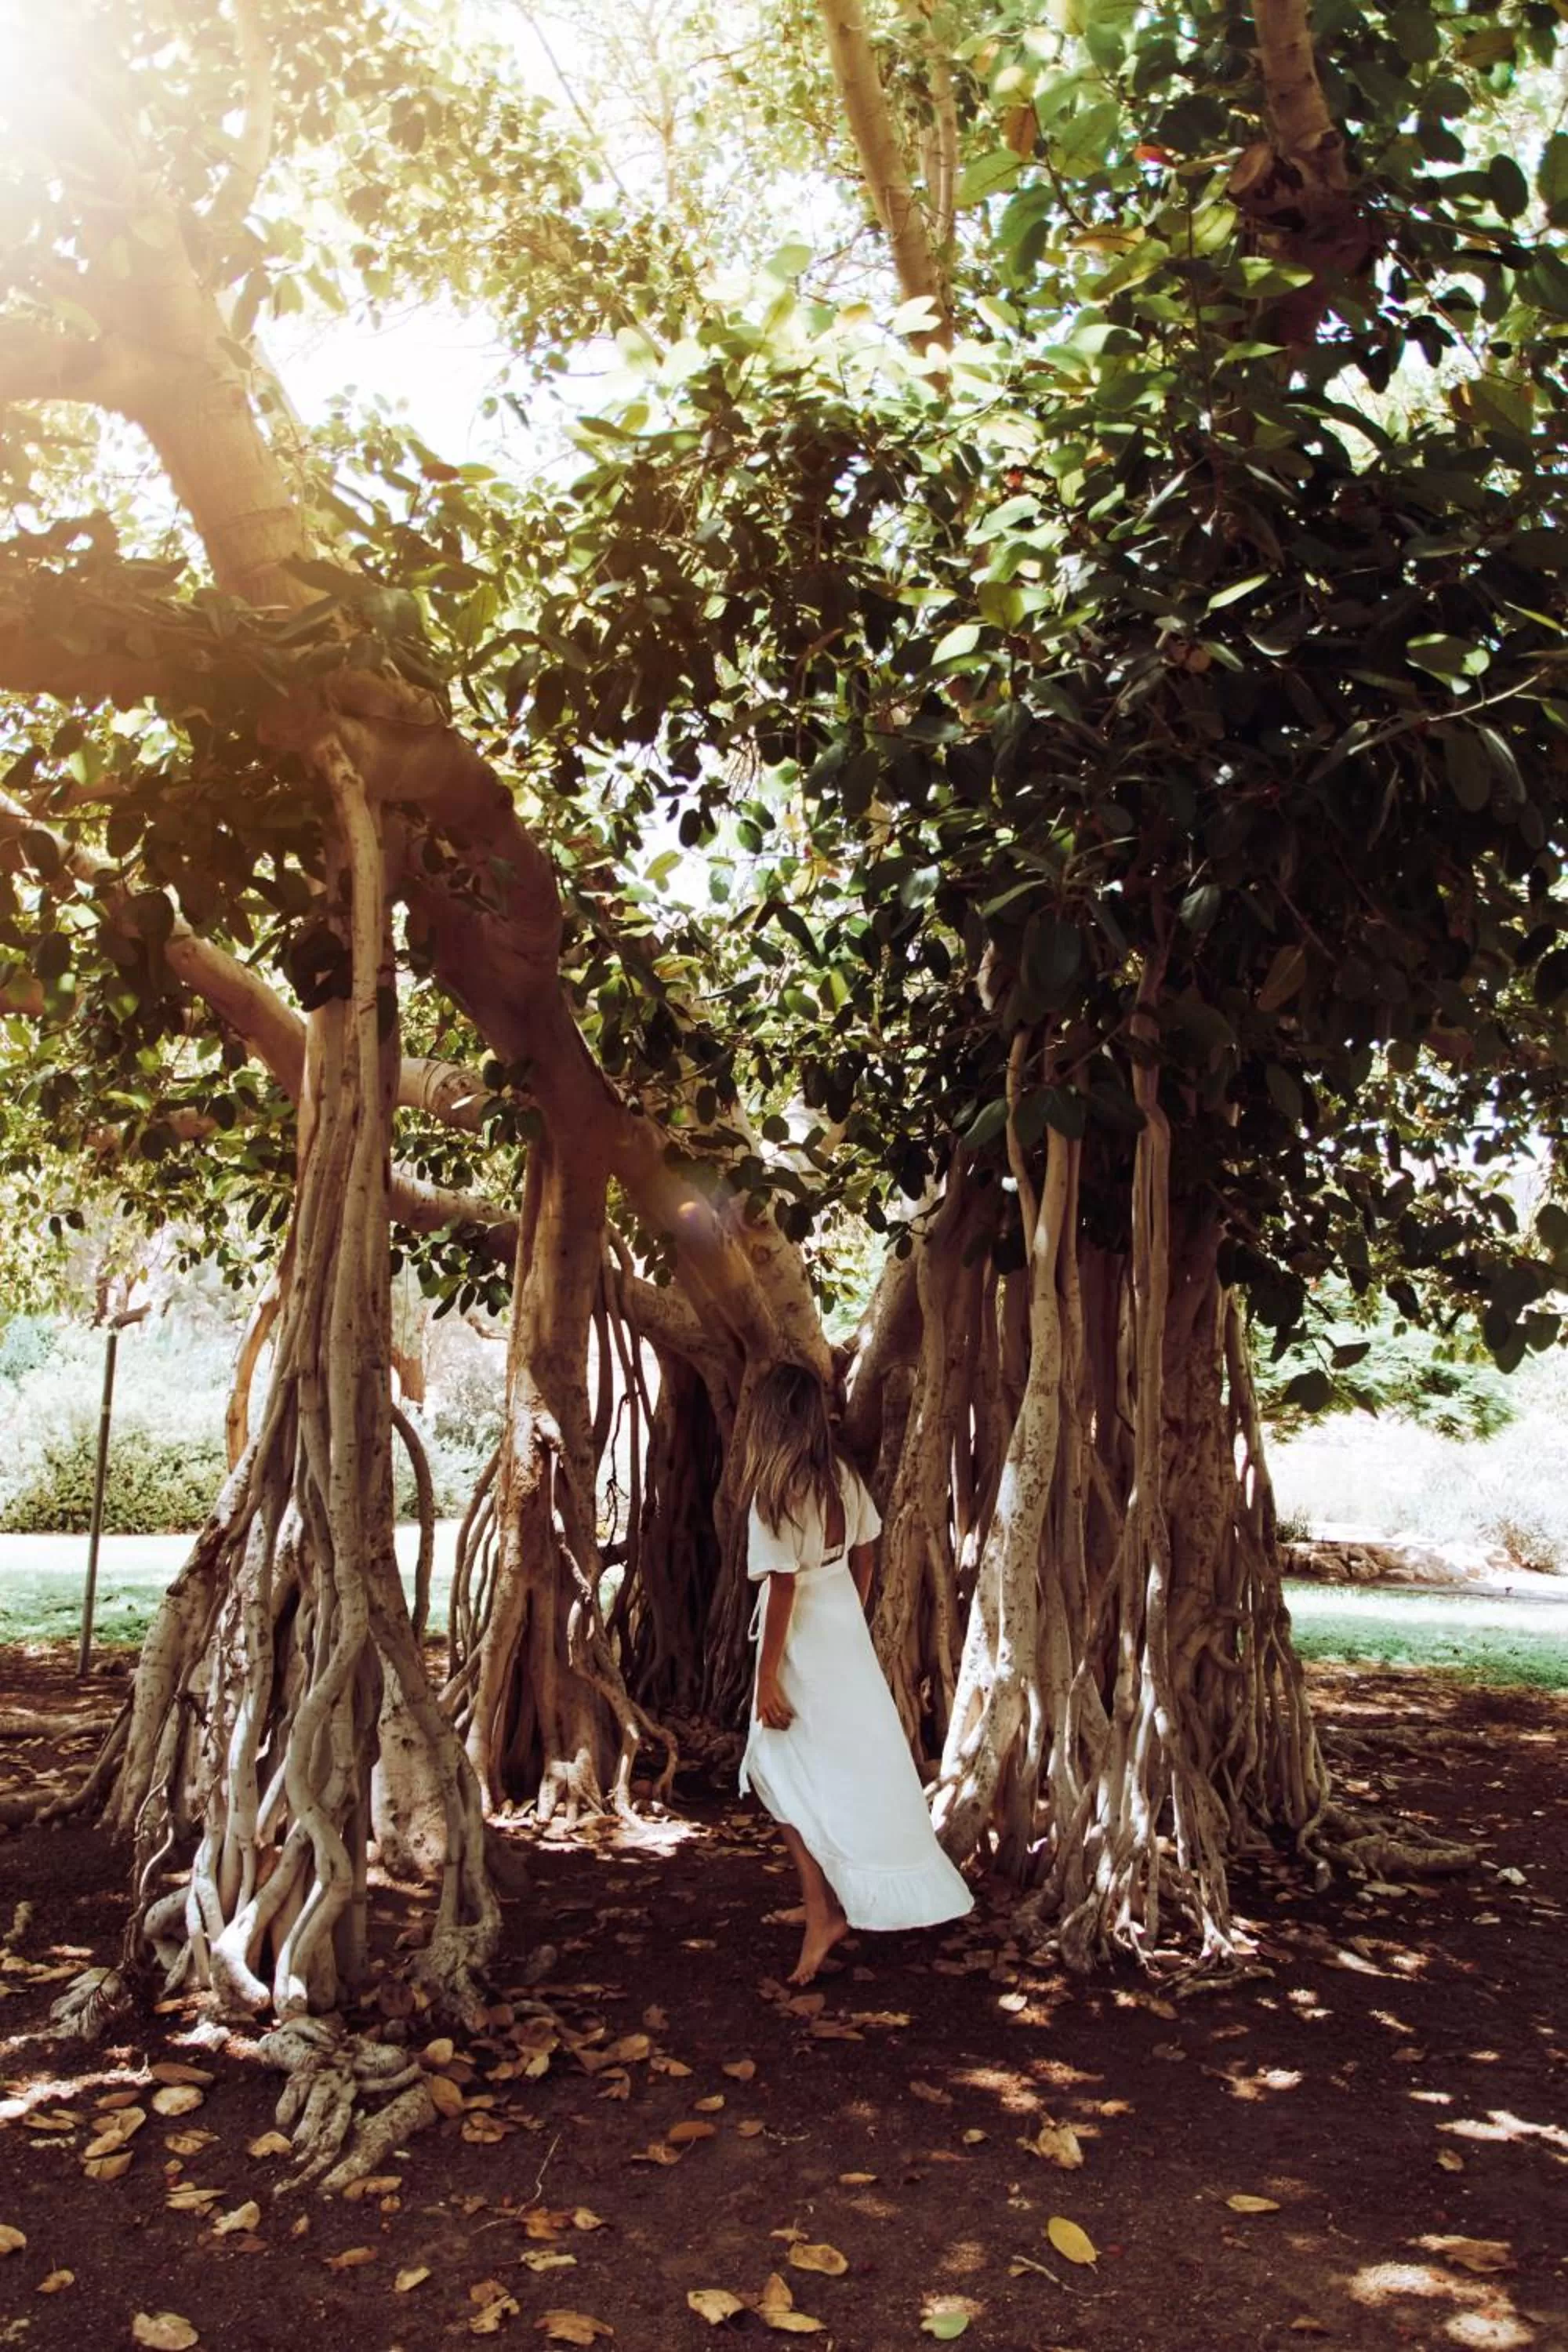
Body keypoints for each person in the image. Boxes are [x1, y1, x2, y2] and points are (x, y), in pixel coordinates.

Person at [737, 1361, 974, 1984]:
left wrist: (766, 1679)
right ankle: (828, 1896)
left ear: (767, 1418)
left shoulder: (774, 1492)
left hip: (804, 1643)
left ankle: (824, 1912)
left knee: (776, 1773)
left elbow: (784, 1586)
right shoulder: (840, 1476)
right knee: (830, 1773)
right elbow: (866, 1551)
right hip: (842, 1627)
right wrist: (852, 1610)